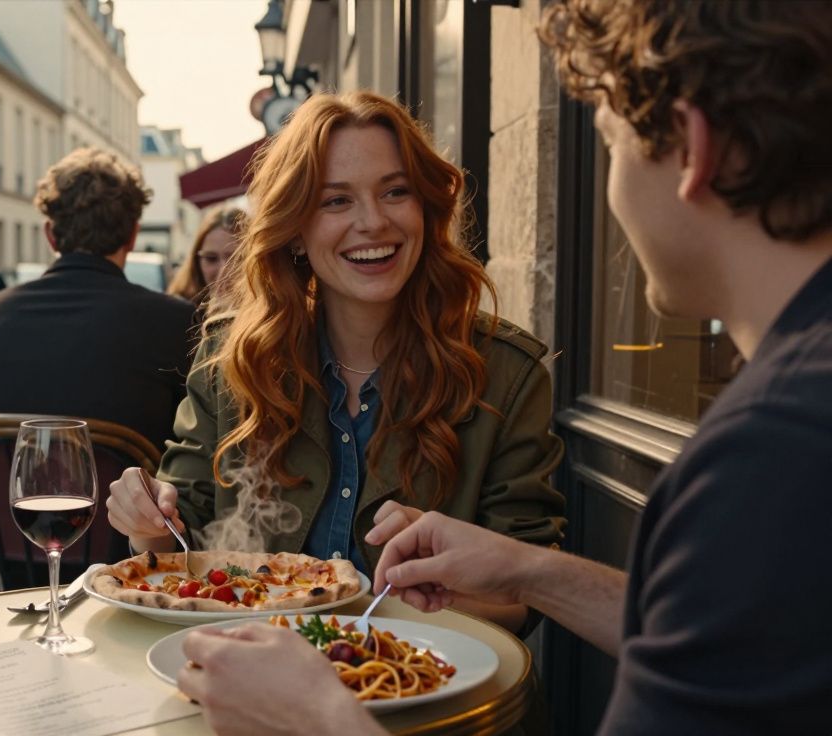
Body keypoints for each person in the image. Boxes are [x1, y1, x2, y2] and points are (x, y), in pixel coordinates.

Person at [178, 1, 832, 734]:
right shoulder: (792, 414)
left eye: (610, 142)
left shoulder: (773, 448)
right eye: (336, 201)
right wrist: (529, 569)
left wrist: (319, 719)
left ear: (694, 147)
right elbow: (722, 641)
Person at [107, 90, 566, 634]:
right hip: (254, 686)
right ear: (295, 231)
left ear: (426, 208)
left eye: (396, 191)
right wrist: (147, 524)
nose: (373, 222)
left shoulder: (506, 375)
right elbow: (182, 551)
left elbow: (528, 599)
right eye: (336, 201)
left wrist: (448, 575)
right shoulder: (232, 361)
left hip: (422, 694)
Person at [0, 147, 197, 454]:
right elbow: (195, 442)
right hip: (130, 501)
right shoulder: (175, 320)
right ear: (132, 236)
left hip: (12, 502)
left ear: (50, 235)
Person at [167, 205, 246, 308]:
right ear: (196, 261)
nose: (223, 271)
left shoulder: (269, 315)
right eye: (211, 259)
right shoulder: (177, 312)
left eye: (235, 259)